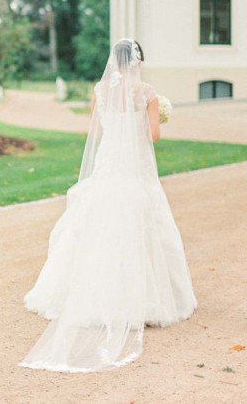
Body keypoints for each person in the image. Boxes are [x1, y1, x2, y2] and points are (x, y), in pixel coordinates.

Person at [20, 38, 197, 373]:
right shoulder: (147, 92)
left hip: (108, 166)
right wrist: (158, 115)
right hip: (134, 169)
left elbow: (97, 129)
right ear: (138, 61)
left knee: (97, 225)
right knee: (142, 226)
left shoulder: (100, 90)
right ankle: (145, 302)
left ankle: (86, 297)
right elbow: (154, 136)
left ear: (114, 61)